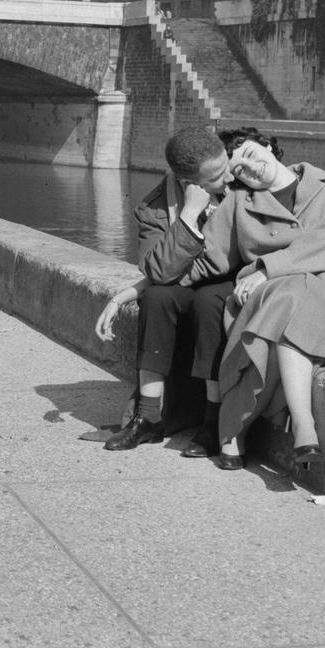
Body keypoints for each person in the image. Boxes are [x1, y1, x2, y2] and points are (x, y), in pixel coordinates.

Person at [210, 136, 325, 471]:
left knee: (290, 296)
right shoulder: (238, 202)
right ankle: (305, 428)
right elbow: (210, 259)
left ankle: (235, 426)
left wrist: (266, 270)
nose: (251, 167)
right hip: (278, 296)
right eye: (239, 167)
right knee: (290, 298)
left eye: (251, 154)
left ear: (268, 147)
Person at [95, 126, 236, 454]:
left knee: (208, 301)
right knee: (157, 298)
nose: (227, 176)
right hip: (184, 280)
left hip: (232, 281)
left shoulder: (240, 178)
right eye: (216, 176)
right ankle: (148, 419)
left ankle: (214, 423)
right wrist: (188, 215)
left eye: (225, 164)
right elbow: (157, 271)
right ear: (190, 183)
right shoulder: (157, 208)